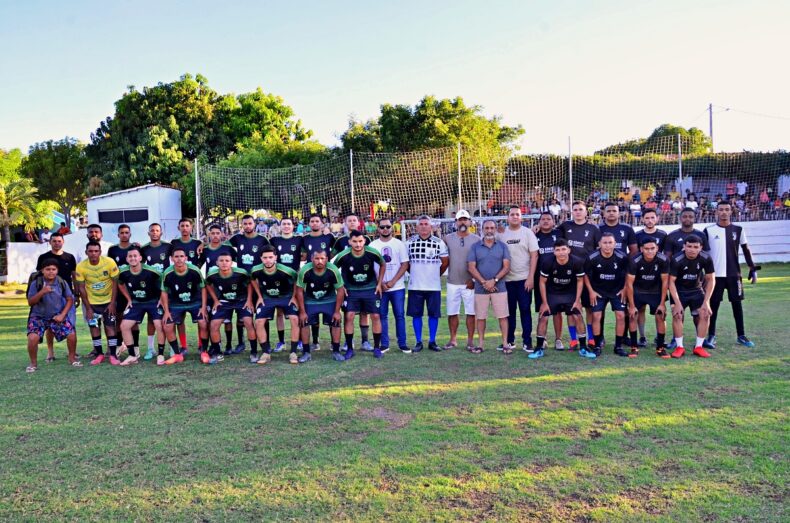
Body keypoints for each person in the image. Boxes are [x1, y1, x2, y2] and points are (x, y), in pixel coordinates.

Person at [703, 201, 758, 349]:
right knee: (713, 306)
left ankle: (741, 335)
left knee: (737, 305)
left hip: (734, 275)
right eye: (721, 210)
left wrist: (753, 269)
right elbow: (702, 254)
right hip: (715, 277)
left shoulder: (738, 230)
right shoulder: (708, 230)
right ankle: (711, 336)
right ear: (716, 212)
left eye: (727, 210)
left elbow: (746, 250)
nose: (724, 212)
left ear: (731, 211)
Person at [535, 239, 591, 359]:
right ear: (554, 252)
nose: (561, 252)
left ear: (569, 250)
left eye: (563, 249)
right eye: (558, 250)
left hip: (569, 294)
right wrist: (544, 302)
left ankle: (583, 347)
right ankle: (539, 348)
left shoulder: (576, 262)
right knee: (543, 316)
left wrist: (577, 301)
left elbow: (580, 281)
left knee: (578, 316)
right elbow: (542, 282)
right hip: (552, 293)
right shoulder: (547, 262)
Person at [333, 230, 386, 359]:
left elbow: (383, 263)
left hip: (370, 289)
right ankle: (350, 349)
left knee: (375, 316)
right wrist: (341, 286)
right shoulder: (343, 255)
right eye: (355, 241)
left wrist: (379, 284)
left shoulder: (371, 252)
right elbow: (333, 269)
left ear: (364, 241)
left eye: (360, 241)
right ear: (350, 242)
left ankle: (377, 348)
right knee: (349, 316)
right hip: (351, 290)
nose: (358, 244)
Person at [558, 201, 601, 348]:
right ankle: (573, 339)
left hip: (588, 274)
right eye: (575, 209)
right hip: (570, 275)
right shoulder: (565, 226)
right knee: (571, 309)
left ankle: (590, 337)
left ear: (586, 212)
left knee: (589, 307)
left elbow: (598, 249)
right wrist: (535, 227)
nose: (577, 212)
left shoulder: (593, 229)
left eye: (580, 209)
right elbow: (551, 234)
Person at [25, 259, 79, 372]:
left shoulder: (61, 282)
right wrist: (42, 292)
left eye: (53, 269)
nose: (51, 272)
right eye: (48, 269)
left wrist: (62, 315)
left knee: (72, 334)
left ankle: (72, 359)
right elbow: (31, 302)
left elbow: (69, 299)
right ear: (42, 270)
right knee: (32, 337)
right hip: (38, 316)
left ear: (57, 270)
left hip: (56, 315)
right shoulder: (37, 283)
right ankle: (33, 364)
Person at [117, 246, 168, 365]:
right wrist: (129, 298)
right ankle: (132, 355)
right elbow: (120, 284)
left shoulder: (152, 271)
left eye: (135, 256)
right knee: (124, 326)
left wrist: (161, 298)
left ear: (140, 258)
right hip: (136, 303)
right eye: (130, 256)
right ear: (127, 258)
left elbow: (164, 283)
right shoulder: (123, 272)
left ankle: (160, 354)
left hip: (153, 301)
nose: (133, 258)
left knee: (158, 325)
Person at [466, 220, 511, 353]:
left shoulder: (502, 246)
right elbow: (471, 267)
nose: (489, 230)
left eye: (492, 228)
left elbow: (507, 266)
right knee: (480, 317)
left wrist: (494, 280)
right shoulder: (475, 247)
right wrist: (485, 283)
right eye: (486, 228)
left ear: (495, 229)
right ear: (482, 229)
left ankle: (505, 344)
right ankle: (480, 345)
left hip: (499, 287)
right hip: (481, 288)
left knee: (502, 316)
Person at [250, 246, 301, 364]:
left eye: (270, 257)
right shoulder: (255, 270)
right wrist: (260, 296)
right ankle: (265, 352)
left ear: (276, 257)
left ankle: (293, 352)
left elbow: (296, 280)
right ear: (261, 258)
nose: (268, 260)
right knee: (258, 322)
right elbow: (252, 280)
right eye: (265, 258)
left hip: (286, 297)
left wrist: (294, 297)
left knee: (294, 319)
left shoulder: (286, 270)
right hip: (267, 298)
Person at [406, 215, 449, 353]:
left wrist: (436, 275)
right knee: (416, 314)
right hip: (415, 286)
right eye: (421, 224)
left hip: (433, 286)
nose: (424, 226)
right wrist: (414, 273)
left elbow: (445, 262)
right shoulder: (409, 243)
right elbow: (406, 264)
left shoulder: (439, 243)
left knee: (433, 314)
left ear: (431, 227)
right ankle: (418, 342)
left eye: (426, 224)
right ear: (417, 227)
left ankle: (432, 341)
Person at [499, 205, 539, 353]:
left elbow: (534, 255)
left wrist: (530, 277)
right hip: (507, 280)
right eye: (512, 214)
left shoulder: (527, 233)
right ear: (507, 217)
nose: (515, 217)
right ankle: (509, 340)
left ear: (521, 217)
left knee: (525, 310)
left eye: (517, 214)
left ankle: (527, 341)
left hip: (524, 279)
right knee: (509, 312)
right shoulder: (501, 234)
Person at [228, 214, 270, 355]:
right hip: (242, 282)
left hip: (258, 281)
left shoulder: (262, 239)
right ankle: (241, 343)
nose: (247, 226)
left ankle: (266, 342)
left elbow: (269, 254)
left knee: (262, 313)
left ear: (254, 224)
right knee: (242, 315)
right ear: (242, 226)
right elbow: (223, 248)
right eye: (245, 224)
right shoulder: (237, 239)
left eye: (250, 223)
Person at [668, 235, 715, 358]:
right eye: (689, 246)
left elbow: (711, 279)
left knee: (705, 314)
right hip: (679, 291)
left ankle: (699, 347)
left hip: (696, 290)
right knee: (677, 315)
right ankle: (679, 347)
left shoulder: (706, 258)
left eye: (695, 247)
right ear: (684, 246)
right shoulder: (676, 259)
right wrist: (677, 303)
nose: (692, 249)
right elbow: (671, 281)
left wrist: (707, 302)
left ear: (701, 248)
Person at [160, 247, 210, 364]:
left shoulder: (194, 270)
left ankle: (204, 351)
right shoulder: (167, 273)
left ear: (186, 258)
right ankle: (178, 354)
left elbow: (203, 288)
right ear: (172, 259)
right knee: (167, 326)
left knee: (203, 322)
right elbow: (164, 291)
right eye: (176, 257)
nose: (179, 259)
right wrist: (166, 311)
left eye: (181, 256)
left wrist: (203, 307)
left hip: (195, 302)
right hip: (176, 303)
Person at [333, 214, 374, 352]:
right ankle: (348, 342)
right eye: (349, 220)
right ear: (345, 223)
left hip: (366, 285)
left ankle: (365, 341)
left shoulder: (367, 239)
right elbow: (333, 261)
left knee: (364, 313)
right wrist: (340, 284)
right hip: (348, 285)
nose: (351, 222)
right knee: (348, 314)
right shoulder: (340, 241)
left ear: (358, 222)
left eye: (354, 220)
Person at [74, 240, 120, 365]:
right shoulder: (81, 266)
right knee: (94, 327)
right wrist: (88, 308)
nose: (93, 254)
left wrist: (112, 303)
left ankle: (113, 355)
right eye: (90, 251)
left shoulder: (109, 262)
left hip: (108, 302)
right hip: (92, 303)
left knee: (110, 327)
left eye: (96, 251)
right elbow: (82, 288)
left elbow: (115, 283)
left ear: (100, 252)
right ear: (86, 252)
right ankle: (99, 354)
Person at [205, 253, 256, 365]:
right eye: (221, 260)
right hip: (224, 301)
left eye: (227, 260)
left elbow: (250, 284)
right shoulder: (211, 274)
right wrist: (215, 300)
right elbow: (207, 285)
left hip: (241, 300)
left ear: (231, 262)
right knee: (213, 325)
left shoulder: (241, 273)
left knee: (248, 322)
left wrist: (249, 300)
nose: (224, 263)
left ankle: (253, 352)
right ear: (217, 263)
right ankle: (218, 354)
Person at [34, 232, 78, 362]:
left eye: (59, 241)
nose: (57, 243)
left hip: (67, 295)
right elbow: (38, 276)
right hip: (49, 295)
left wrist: (76, 293)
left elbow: (74, 276)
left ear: (63, 242)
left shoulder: (69, 257)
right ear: (50, 242)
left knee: (71, 323)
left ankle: (72, 353)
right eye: (54, 241)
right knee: (50, 324)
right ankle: (50, 352)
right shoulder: (43, 257)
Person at [295, 250, 345, 363]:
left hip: (329, 299)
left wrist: (337, 311)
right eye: (317, 259)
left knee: (336, 322)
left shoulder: (333, 270)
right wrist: (302, 312)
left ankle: (336, 351)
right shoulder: (305, 270)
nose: (320, 261)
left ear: (327, 259)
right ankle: (306, 352)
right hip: (311, 300)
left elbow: (340, 290)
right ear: (312, 259)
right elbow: (299, 291)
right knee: (304, 322)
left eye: (322, 258)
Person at [584, 233, 629, 357]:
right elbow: (585, 275)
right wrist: (591, 291)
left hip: (617, 291)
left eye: (610, 242)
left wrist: (625, 288)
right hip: (598, 291)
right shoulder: (592, 257)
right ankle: (597, 345)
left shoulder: (622, 257)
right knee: (596, 316)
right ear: (599, 244)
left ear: (615, 244)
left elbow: (628, 274)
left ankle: (618, 346)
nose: (607, 245)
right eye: (605, 243)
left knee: (620, 315)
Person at [370, 217, 410, 353]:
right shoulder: (373, 245)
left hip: (397, 287)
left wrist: (392, 281)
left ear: (392, 227)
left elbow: (405, 264)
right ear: (378, 228)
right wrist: (380, 283)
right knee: (382, 315)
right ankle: (384, 344)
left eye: (387, 226)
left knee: (399, 315)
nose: (385, 229)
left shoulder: (399, 244)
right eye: (382, 227)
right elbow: (371, 267)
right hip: (380, 288)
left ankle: (402, 343)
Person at [626, 238, 670, 358]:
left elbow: (665, 282)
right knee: (632, 315)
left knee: (661, 315)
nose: (650, 251)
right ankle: (634, 347)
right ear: (641, 249)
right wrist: (632, 305)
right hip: (638, 291)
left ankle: (660, 347)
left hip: (655, 291)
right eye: (646, 249)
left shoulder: (664, 259)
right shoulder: (635, 260)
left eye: (652, 248)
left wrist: (662, 303)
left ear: (657, 248)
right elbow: (629, 283)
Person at [442, 210, 480, 351]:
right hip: (452, 282)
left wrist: (474, 280)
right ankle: (453, 340)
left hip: (469, 283)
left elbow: (480, 261)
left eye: (465, 219)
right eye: (460, 220)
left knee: (471, 313)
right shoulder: (447, 238)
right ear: (456, 222)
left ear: (470, 221)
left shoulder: (476, 239)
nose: (463, 222)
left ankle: (470, 341)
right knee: (452, 313)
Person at [169, 218, 204, 355]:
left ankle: (201, 345)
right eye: (182, 226)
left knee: (200, 318)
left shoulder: (197, 243)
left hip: (194, 283)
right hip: (177, 282)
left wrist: (203, 243)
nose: (184, 228)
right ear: (179, 228)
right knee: (179, 320)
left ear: (191, 228)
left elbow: (205, 254)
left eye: (187, 226)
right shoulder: (174, 243)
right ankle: (183, 346)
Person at [301, 213, 336, 351]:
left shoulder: (329, 237)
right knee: (313, 310)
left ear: (322, 223)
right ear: (309, 224)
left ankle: (334, 343)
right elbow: (303, 256)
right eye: (312, 221)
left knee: (329, 310)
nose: (314, 223)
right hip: (311, 276)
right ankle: (315, 341)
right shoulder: (305, 239)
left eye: (317, 221)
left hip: (326, 275)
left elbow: (333, 253)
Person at [633, 208, 667, 347]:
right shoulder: (638, 235)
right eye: (647, 218)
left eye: (652, 217)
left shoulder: (663, 235)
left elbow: (665, 255)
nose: (650, 220)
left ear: (657, 219)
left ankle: (661, 339)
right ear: (642, 219)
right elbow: (635, 256)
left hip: (657, 280)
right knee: (640, 310)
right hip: (640, 280)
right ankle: (642, 337)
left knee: (660, 310)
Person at [268, 217, 303, 352]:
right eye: (284, 224)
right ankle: (281, 342)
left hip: (294, 279)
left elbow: (305, 254)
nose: (287, 226)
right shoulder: (274, 240)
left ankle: (299, 340)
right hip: (279, 279)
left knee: (297, 310)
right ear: (280, 226)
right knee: (280, 312)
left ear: (293, 226)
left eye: (289, 224)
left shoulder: (299, 240)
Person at [202, 224, 239, 354]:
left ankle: (229, 345)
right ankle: (214, 345)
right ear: (209, 235)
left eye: (218, 233)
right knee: (212, 318)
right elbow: (197, 264)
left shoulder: (228, 249)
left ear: (222, 235)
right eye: (213, 233)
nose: (215, 235)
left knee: (227, 319)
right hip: (212, 288)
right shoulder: (205, 250)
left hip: (227, 288)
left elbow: (238, 262)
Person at [534, 212, 568, 348]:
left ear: (554, 221)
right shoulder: (534, 235)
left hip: (557, 278)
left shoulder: (559, 234)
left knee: (557, 310)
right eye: (543, 219)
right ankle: (543, 339)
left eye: (549, 219)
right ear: (539, 222)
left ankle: (558, 339)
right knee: (543, 309)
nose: (546, 221)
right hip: (540, 278)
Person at [139, 223, 172, 360]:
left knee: (169, 317)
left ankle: (172, 348)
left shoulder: (168, 246)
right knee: (151, 319)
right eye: (152, 230)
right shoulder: (144, 248)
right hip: (151, 287)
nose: (154, 233)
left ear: (161, 233)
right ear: (148, 233)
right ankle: (151, 349)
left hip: (166, 286)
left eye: (157, 230)